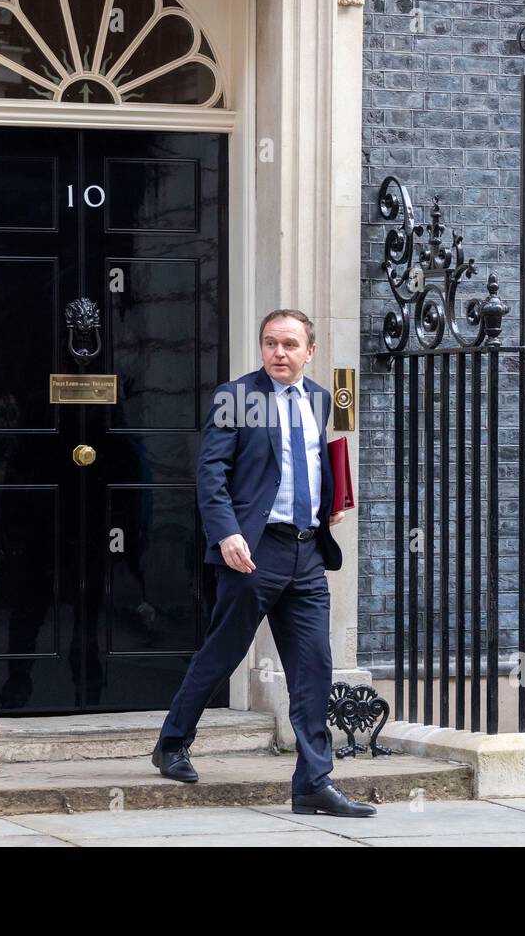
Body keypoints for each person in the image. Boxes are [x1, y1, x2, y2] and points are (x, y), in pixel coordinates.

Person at [151, 310, 376, 817]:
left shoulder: (322, 399)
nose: (280, 352)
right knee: (222, 653)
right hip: (253, 551)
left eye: (290, 344)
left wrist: (330, 504)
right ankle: (171, 743)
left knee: (315, 666)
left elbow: (320, 462)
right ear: (261, 348)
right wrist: (227, 532)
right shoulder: (238, 398)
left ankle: (313, 782)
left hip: (307, 552)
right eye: (271, 343)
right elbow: (211, 472)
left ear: (309, 351)